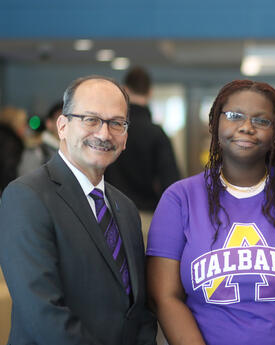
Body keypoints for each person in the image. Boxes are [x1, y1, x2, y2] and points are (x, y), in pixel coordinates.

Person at [147, 79, 275, 345]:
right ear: (214, 124)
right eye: (234, 116)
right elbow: (163, 296)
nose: (246, 127)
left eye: (261, 121)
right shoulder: (179, 198)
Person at [0, 75, 157, 344]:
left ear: (126, 136)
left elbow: (138, 308)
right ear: (62, 126)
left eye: (116, 123)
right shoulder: (26, 196)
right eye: (90, 119)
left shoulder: (125, 208)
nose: (104, 133)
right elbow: (43, 313)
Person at [106, 66, 180, 223]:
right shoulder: (157, 133)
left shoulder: (109, 131)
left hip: (110, 215)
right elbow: (171, 183)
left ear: (125, 90)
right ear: (150, 92)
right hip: (145, 217)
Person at [18, 100, 63, 175]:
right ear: (49, 124)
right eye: (60, 120)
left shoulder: (73, 151)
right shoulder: (36, 151)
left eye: (70, 120)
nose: (65, 125)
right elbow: (26, 182)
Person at [0, 106, 27, 196]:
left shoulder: (4, 137)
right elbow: (8, 170)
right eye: (23, 124)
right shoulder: (11, 142)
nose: (25, 128)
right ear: (16, 124)